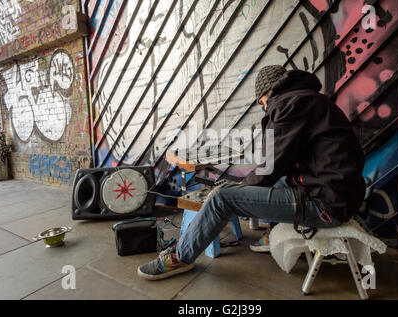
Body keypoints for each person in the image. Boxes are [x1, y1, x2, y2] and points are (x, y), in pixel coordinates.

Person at [137, 65, 366, 280]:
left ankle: (181, 257)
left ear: (268, 92)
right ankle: (273, 233)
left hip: (325, 204)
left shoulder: (290, 104)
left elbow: (271, 166)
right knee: (271, 183)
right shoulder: (309, 99)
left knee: (220, 199)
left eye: (262, 103)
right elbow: (280, 163)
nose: (265, 108)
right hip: (337, 193)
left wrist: (237, 189)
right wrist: (246, 185)